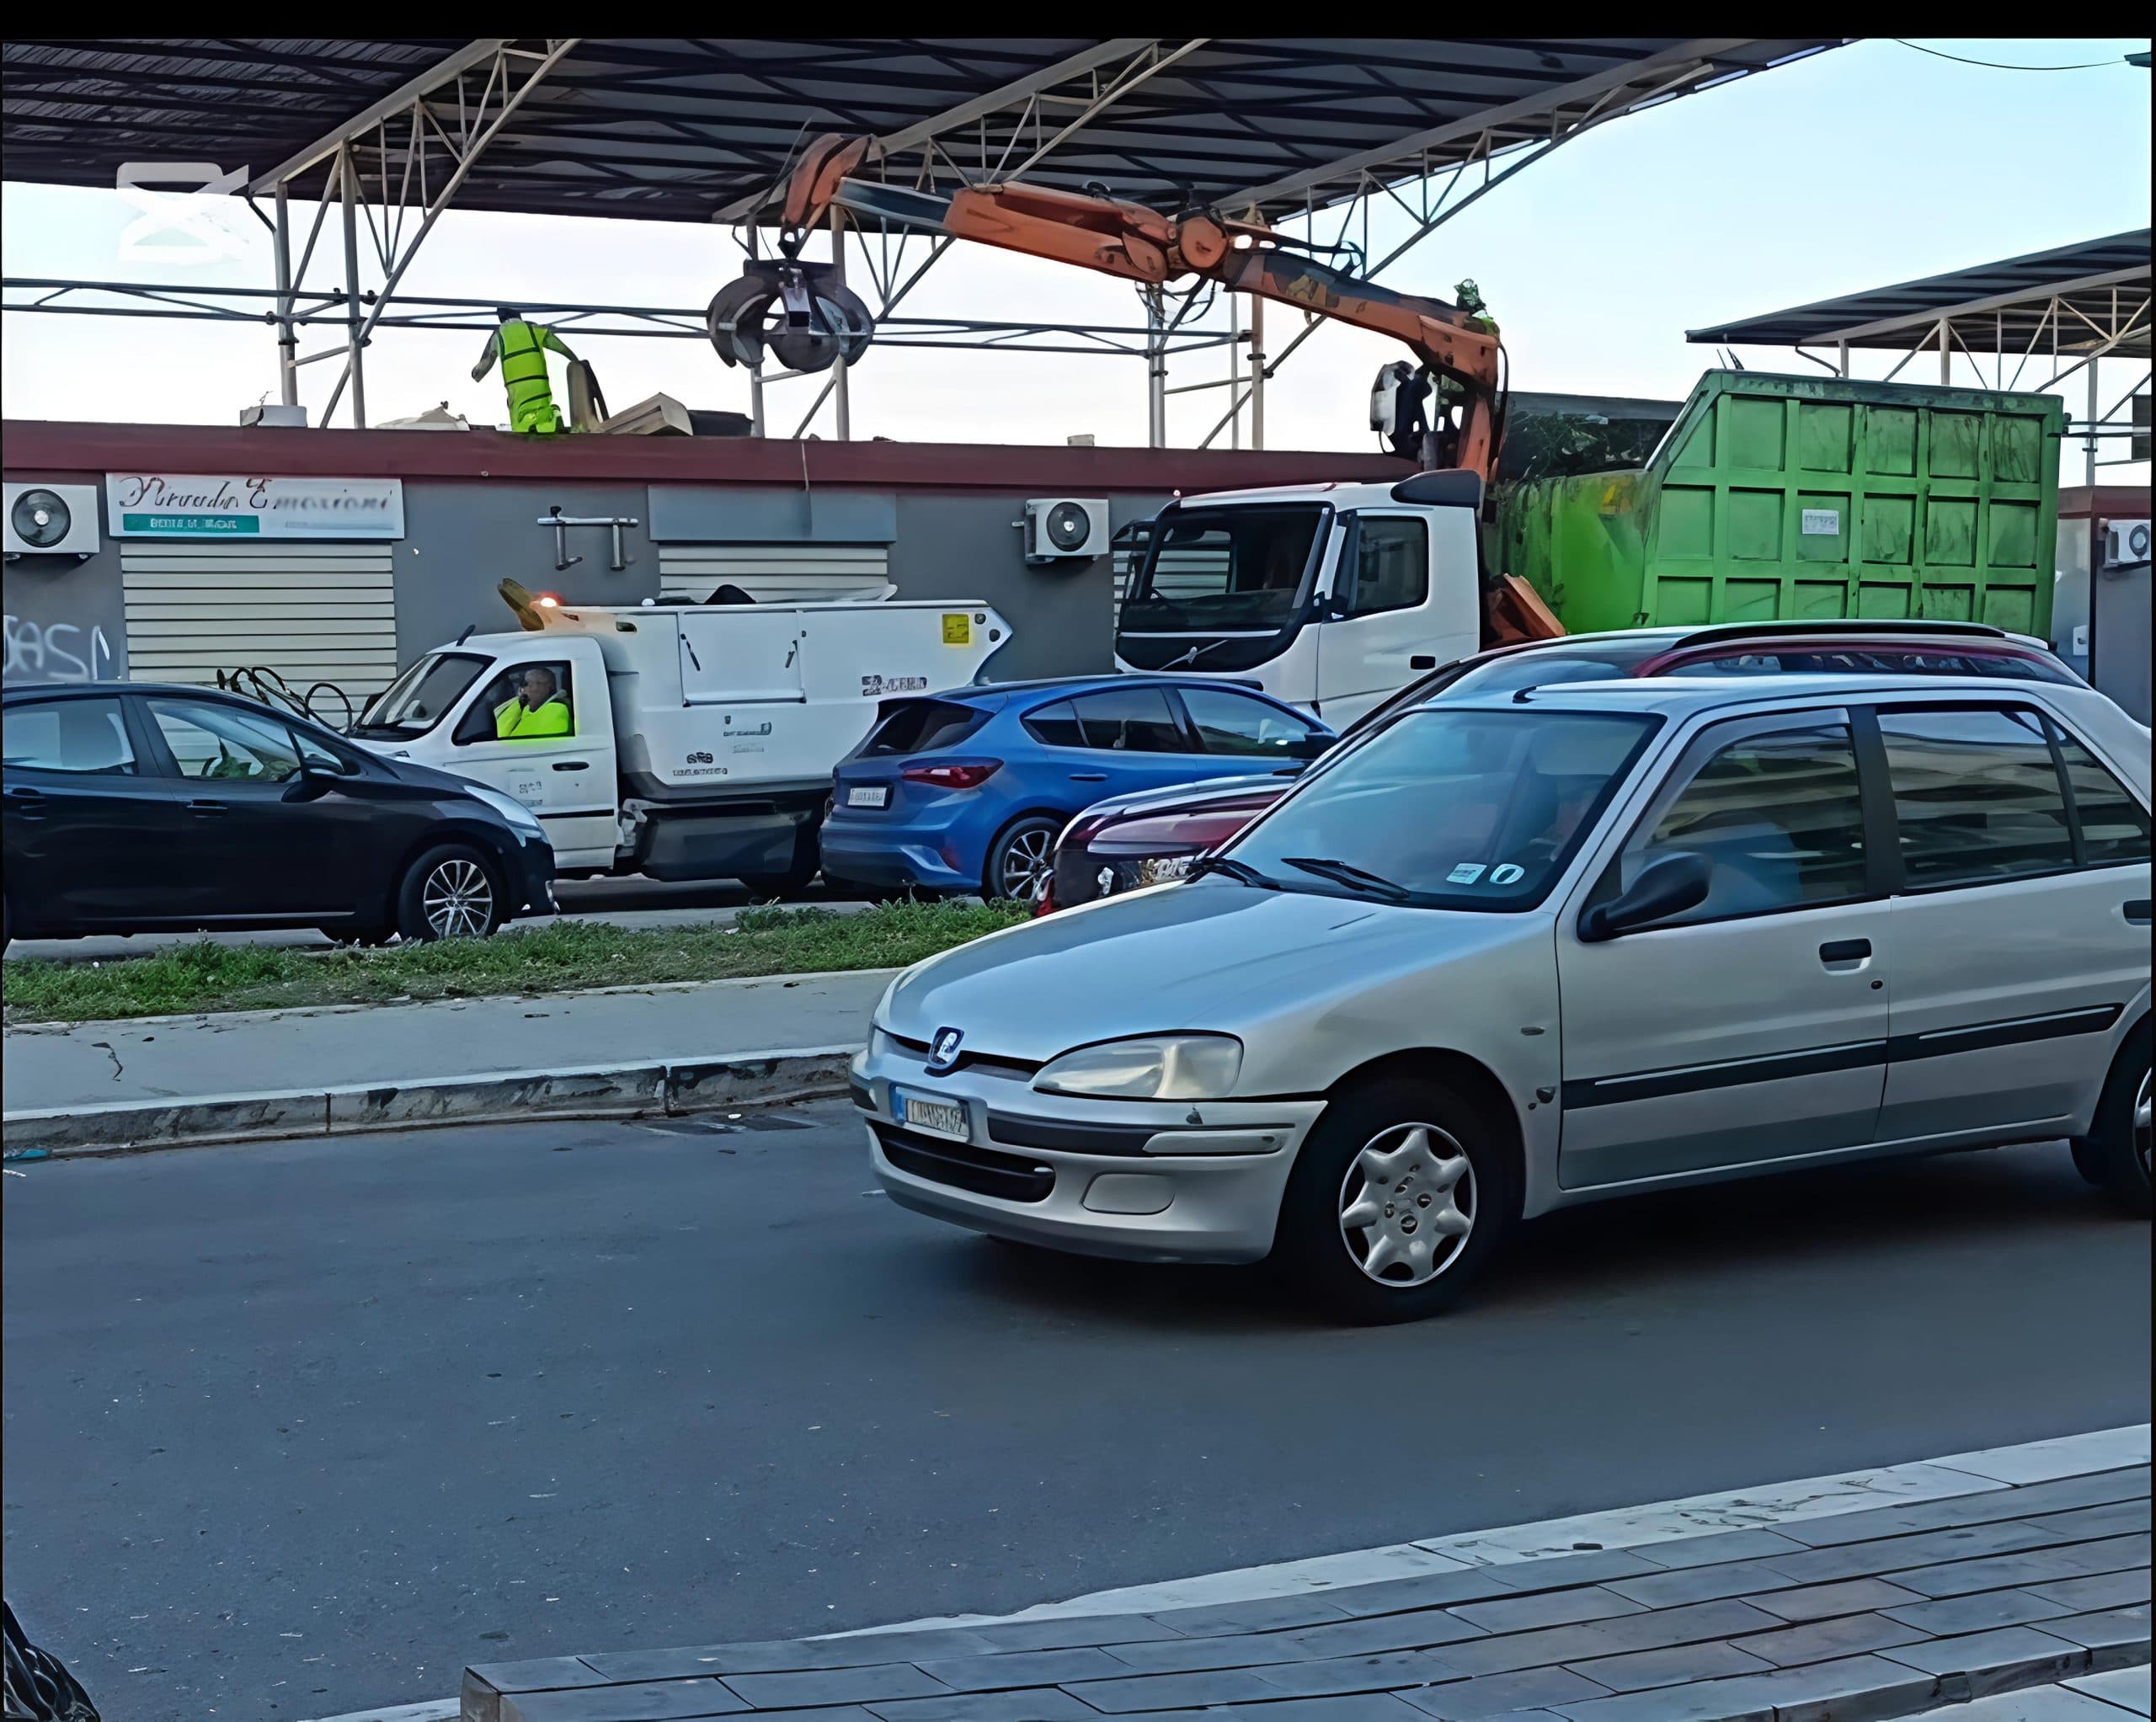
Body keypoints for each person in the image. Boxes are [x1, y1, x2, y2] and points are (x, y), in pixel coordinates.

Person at [471, 308, 577, 435]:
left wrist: (475, 373)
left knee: (519, 424)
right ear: (520, 315)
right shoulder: (533, 328)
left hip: (518, 399)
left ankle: (529, 425)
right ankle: (551, 417)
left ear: (500, 319)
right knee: (548, 411)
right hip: (541, 392)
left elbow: (479, 372)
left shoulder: (498, 336)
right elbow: (561, 347)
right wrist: (575, 360)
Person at [494, 666, 571, 740]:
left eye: (538, 683)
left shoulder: (556, 710)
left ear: (550, 687)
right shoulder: (524, 707)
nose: (525, 689)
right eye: (525, 683)